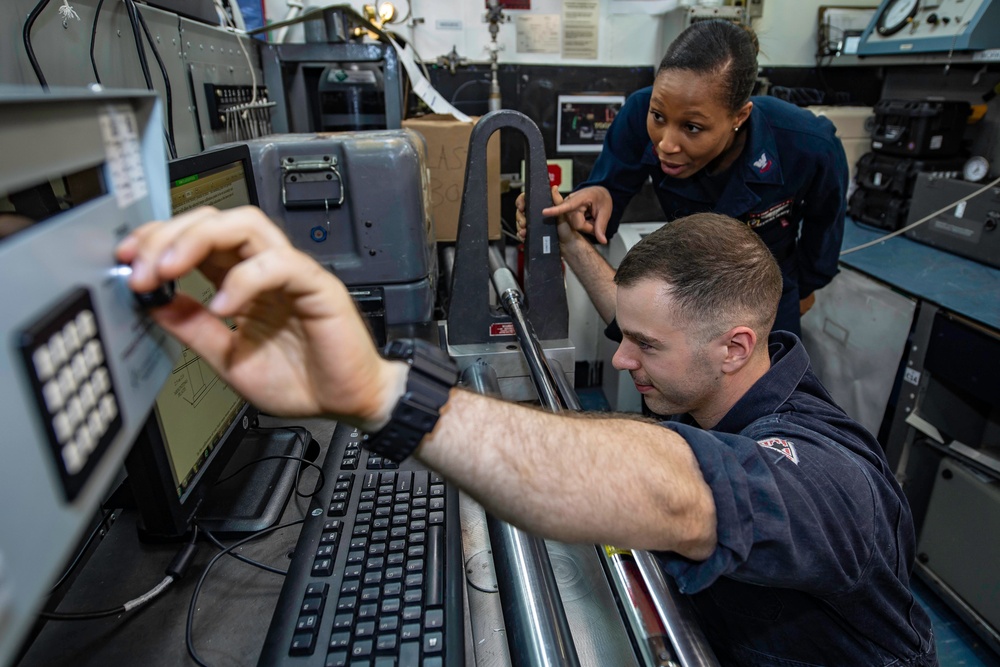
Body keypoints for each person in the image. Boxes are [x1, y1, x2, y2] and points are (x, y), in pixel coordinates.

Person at [118, 205, 937, 666]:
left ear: (734, 347)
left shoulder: (834, 480)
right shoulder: (721, 378)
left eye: (644, 346)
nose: (620, 357)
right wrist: (566, 237)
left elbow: (684, 492)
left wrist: (379, 392)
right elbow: (636, 315)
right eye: (625, 331)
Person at [519, 19, 848, 337]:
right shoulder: (637, 113)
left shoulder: (807, 145)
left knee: (767, 389)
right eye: (658, 116)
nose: (666, 144)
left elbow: (824, 229)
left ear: (739, 116)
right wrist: (593, 197)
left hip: (767, 292)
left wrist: (803, 288)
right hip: (688, 281)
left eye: (692, 127)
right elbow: (606, 195)